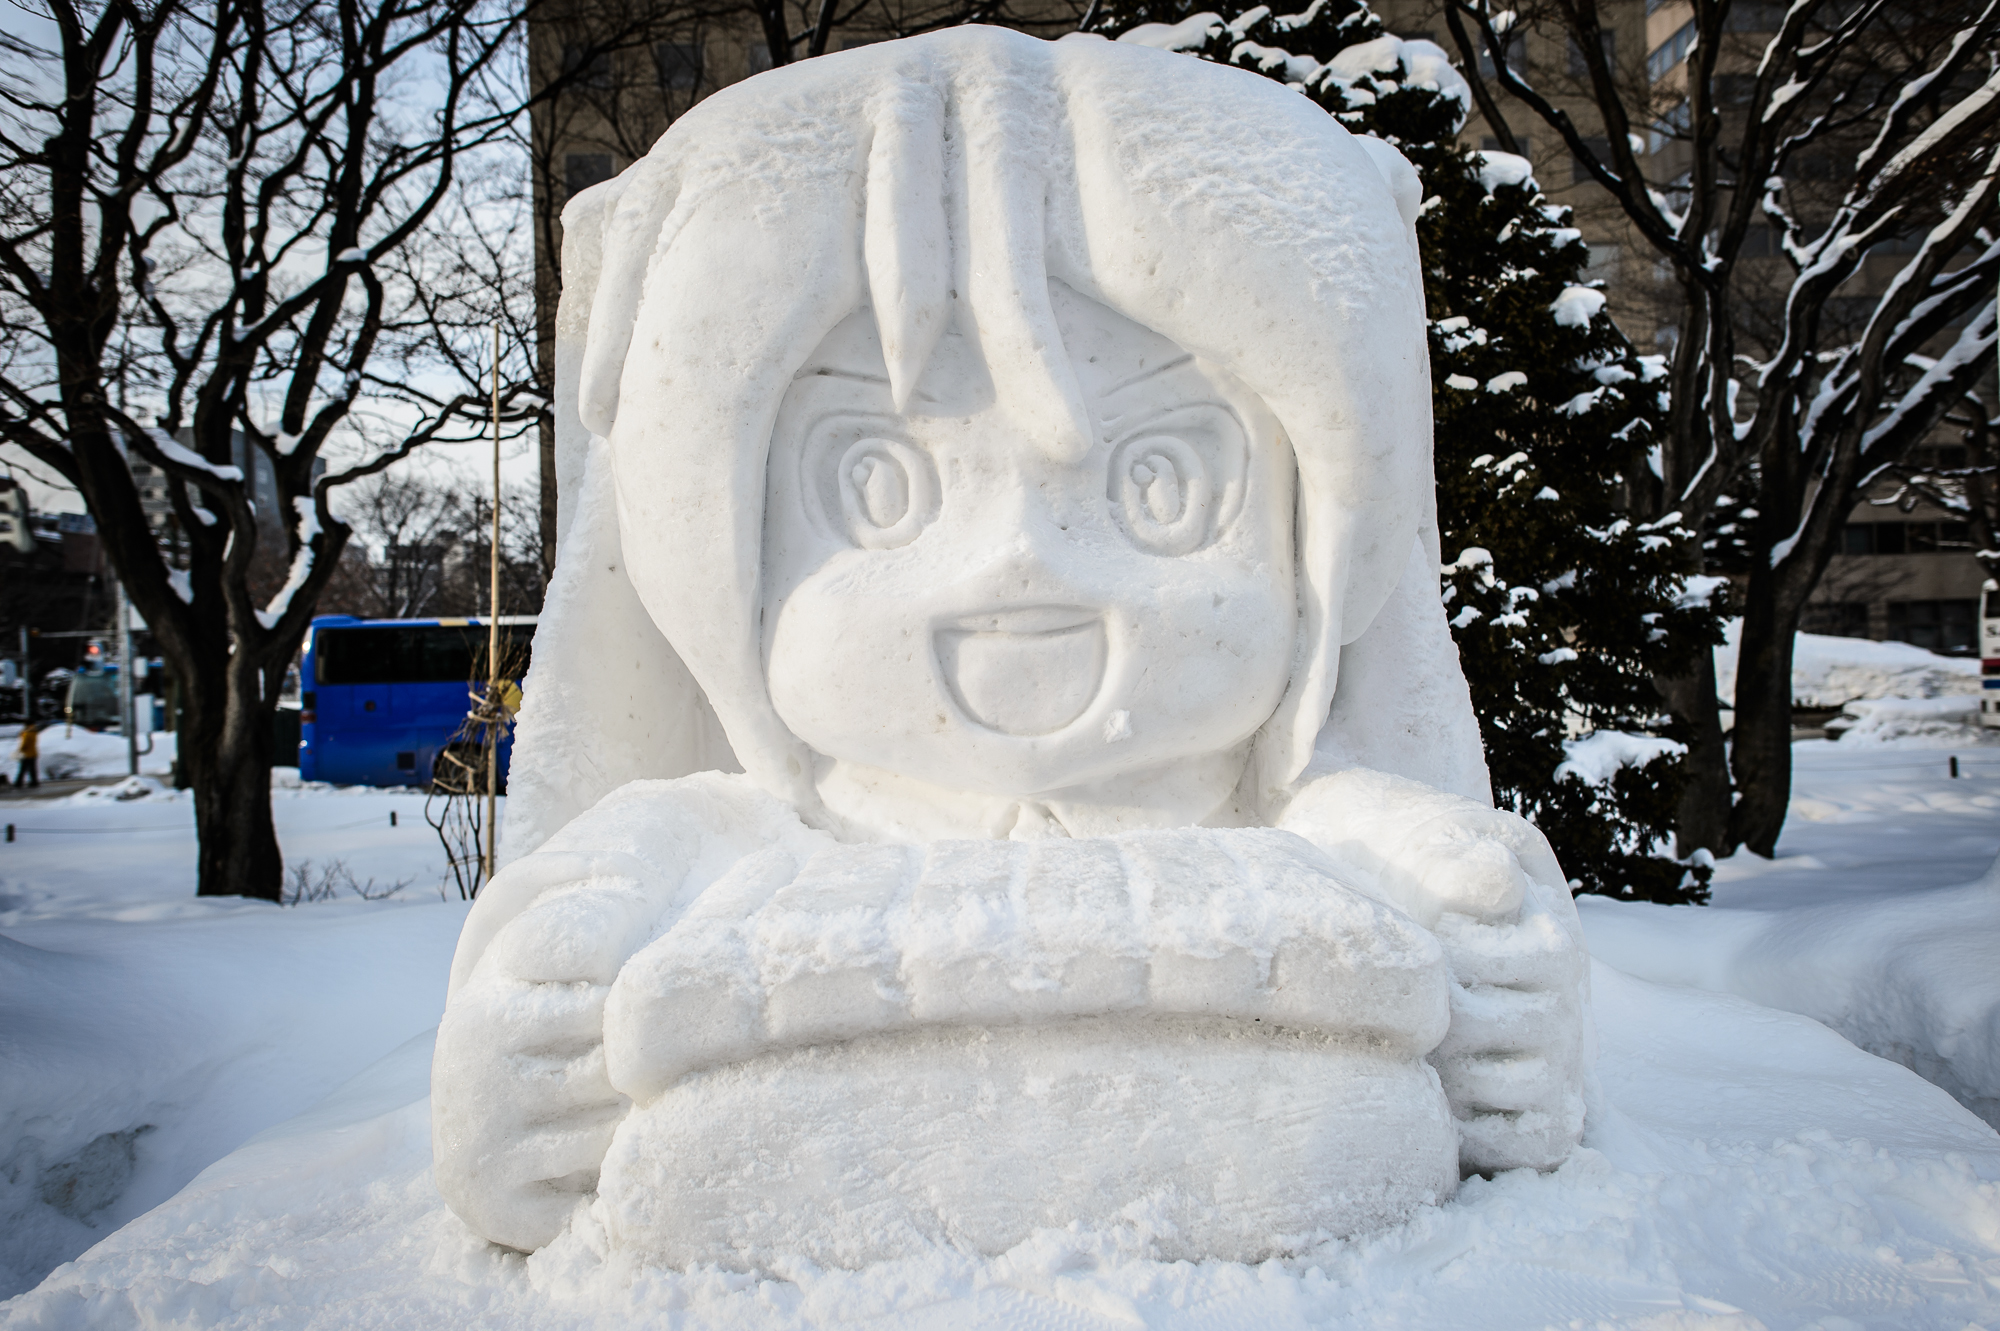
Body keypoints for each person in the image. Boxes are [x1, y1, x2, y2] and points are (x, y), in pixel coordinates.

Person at [13, 720, 38, 788]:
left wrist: (20, 750)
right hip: (33, 753)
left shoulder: (27, 733)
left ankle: (18, 783)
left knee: (22, 769)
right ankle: (34, 782)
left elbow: (24, 744)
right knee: (32, 769)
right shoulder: (34, 732)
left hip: (26, 754)